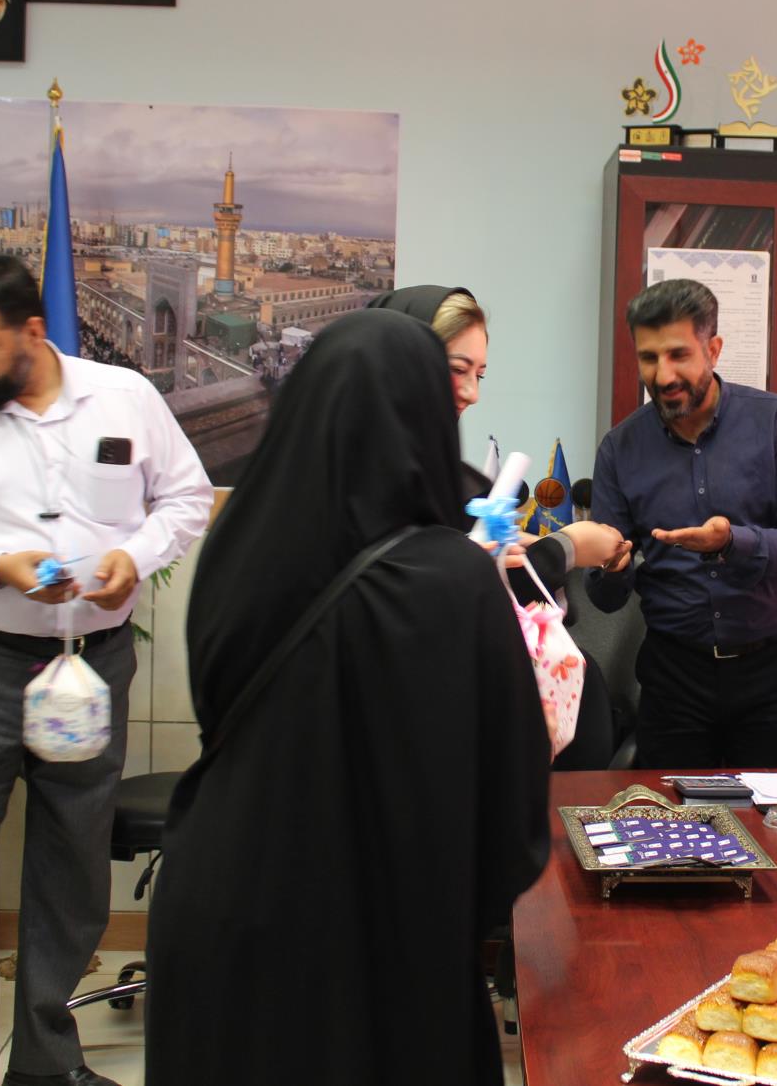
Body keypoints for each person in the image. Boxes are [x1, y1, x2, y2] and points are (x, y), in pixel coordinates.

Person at [145, 310, 550, 1085]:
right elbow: (514, 820)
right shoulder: (455, 581)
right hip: (383, 946)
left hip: (223, 916)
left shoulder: (236, 548)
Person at [0, 253, 211, 1086]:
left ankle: (44, 1064)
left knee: (71, 863)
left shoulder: (124, 398)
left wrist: (135, 558)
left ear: (32, 330)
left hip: (90, 666)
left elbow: (186, 498)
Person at [366, 283, 629, 768]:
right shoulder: (368, 482)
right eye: (457, 370)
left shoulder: (443, 476)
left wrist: (520, 555)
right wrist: (564, 548)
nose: (472, 393)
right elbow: (425, 605)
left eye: (480, 374)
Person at [587, 278, 777, 768]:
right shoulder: (620, 449)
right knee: (667, 813)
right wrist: (613, 567)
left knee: (770, 815)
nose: (663, 374)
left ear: (713, 349)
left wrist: (732, 542)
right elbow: (605, 597)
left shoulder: (775, 422)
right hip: (674, 677)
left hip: (772, 674)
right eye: (649, 358)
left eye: (679, 355)